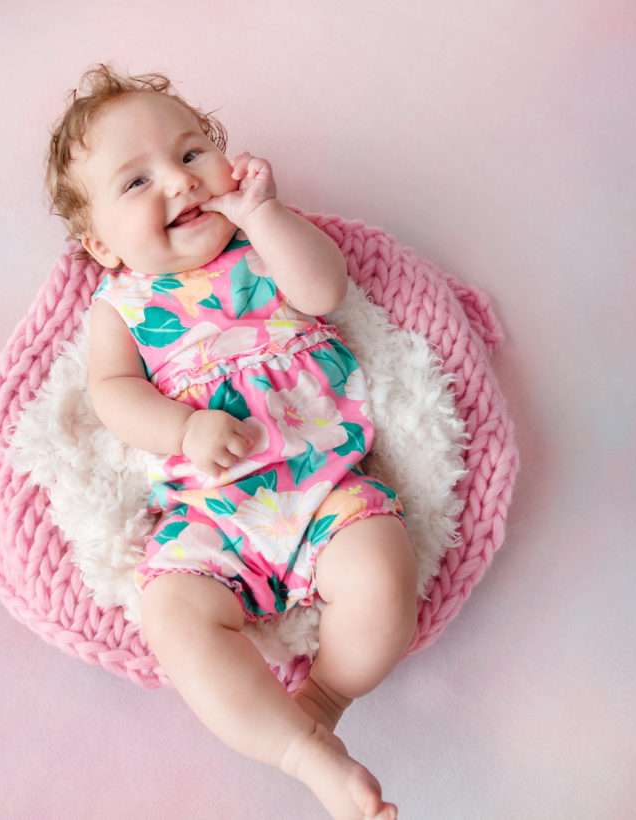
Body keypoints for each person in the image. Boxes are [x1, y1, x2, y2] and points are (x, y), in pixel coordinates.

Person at [45, 63, 419, 820]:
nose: (179, 182)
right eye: (137, 182)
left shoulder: (260, 244)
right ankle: (297, 752)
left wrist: (264, 214)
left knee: (383, 572)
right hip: (211, 514)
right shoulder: (120, 304)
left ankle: (323, 701)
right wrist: (183, 428)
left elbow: (324, 291)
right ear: (101, 244)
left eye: (191, 154)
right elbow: (112, 395)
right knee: (171, 615)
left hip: (324, 486)